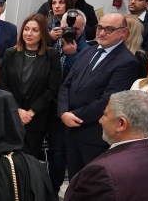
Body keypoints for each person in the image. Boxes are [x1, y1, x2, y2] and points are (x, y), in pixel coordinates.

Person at [57, 12, 142, 177]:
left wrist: (73, 116)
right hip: (69, 127)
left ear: (123, 32)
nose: (102, 33)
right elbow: (66, 84)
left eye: (109, 29)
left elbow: (108, 100)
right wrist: (63, 112)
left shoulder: (127, 61)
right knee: (74, 180)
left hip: (93, 134)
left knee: (91, 182)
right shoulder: (87, 51)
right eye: (99, 28)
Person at [0, 14, 62, 159]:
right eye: (26, 29)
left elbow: (52, 89)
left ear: (43, 33)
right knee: (6, 161)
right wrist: (17, 110)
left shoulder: (51, 55)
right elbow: (3, 84)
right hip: (11, 117)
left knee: (27, 162)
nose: (29, 33)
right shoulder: (11, 53)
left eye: (35, 30)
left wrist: (31, 112)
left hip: (36, 120)